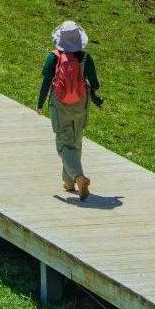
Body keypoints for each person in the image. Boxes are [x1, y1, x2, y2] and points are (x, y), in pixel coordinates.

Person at [37, 19, 103, 199]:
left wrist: (40, 104)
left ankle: (79, 178)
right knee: (75, 141)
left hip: (60, 105)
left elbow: (45, 83)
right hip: (80, 104)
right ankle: (68, 182)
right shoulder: (86, 58)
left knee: (63, 144)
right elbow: (95, 83)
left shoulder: (54, 57)